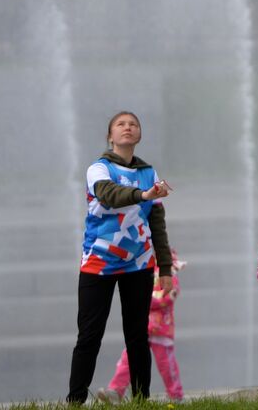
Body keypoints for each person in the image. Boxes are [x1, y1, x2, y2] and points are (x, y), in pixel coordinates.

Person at [67, 111, 173, 404]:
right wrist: (143, 195)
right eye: (121, 124)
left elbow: (157, 224)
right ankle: (75, 400)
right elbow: (109, 195)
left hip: (139, 264)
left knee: (137, 336)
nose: (128, 128)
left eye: (133, 124)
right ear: (110, 136)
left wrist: (164, 267)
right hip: (98, 264)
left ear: (139, 135)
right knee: (89, 336)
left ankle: (141, 399)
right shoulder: (98, 169)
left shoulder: (149, 173)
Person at [97, 251, 188, 402]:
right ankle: (116, 391)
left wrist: (142, 299)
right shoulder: (145, 271)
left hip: (161, 329)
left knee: (166, 364)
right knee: (128, 360)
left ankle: (176, 395)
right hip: (142, 328)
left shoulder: (168, 275)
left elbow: (168, 296)